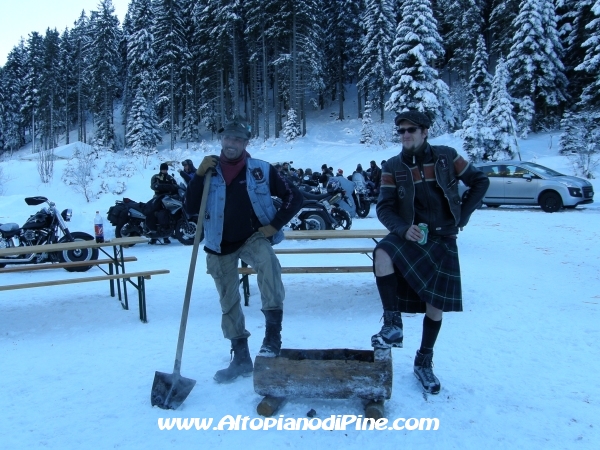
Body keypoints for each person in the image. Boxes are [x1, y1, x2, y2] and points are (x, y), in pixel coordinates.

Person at [371, 110, 489, 395]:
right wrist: (402, 229)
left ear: (425, 132)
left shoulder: (447, 157)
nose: (405, 135)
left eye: (411, 129)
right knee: (382, 253)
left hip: (443, 238)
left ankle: (424, 361)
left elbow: (480, 181)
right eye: (401, 130)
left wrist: (461, 217)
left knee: (435, 306)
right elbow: (384, 207)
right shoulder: (392, 166)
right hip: (412, 237)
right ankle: (392, 324)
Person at [185, 117, 303, 384]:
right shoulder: (208, 171)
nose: (231, 144)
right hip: (218, 243)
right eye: (228, 138)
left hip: (252, 237)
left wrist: (274, 226)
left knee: (269, 265)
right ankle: (240, 357)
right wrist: (198, 176)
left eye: (238, 139)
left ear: (246, 143)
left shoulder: (260, 170)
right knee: (228, 301)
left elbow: (295, 197)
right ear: (221, 140)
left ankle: (273, 338)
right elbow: (190, 209)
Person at [147, 163, 179, 244]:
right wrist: (167, 187)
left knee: (167, 217)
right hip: (157, 198)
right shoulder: (156, 177)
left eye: (165, 169)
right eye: (163, 169)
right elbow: (154, 186)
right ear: (160, 169)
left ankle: (166, 236)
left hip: (168, 199)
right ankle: (153, 236)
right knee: (153, 215)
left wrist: (163, 187)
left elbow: (175, 187)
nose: (164, 171)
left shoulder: (170, 178)